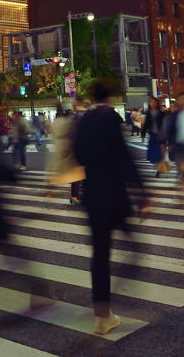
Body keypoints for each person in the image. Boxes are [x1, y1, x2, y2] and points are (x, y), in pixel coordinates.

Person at [74, 78, 148, 336]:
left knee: (100, 255)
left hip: (92, 195)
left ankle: (102, 315)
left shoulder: (83, 122)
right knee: (135, 251)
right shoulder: (111, 119)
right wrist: (142, 194)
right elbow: (124, 158)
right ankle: (114, 299)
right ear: (109, 97)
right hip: (115, 194)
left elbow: (78, 156)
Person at [47, 108, 85, 205]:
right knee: (77, 174)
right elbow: (73, 135)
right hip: (69, 149)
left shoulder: (55, 122)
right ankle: (74, 197)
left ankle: (51, 192)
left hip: (60, 148)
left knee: (58, 172)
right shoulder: (68, 123)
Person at [142, 97, 167, 177]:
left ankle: (158, 170)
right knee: (151, 153)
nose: (153, 103)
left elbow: (165, 125)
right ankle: (157, 165)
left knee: (160, 153)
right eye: (151, 102)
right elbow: (145, 124)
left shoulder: (161, 113)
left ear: (157, 103)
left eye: (154, 102)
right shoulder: (148, 113)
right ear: (149, 103)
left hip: (160, 135)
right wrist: (143, 134)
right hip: (152, 135)